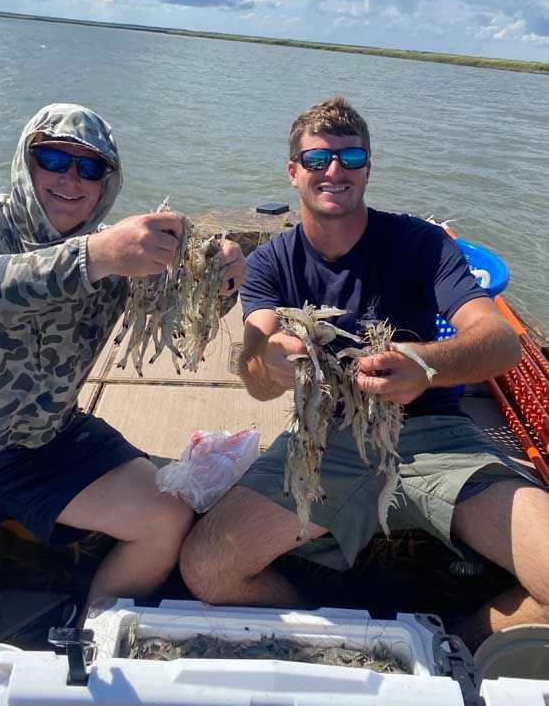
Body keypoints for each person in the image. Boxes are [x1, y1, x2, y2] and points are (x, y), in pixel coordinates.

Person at [0, 102, 245, 706]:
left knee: (165, 518)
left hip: (47, 443)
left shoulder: (120, 254)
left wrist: (217, 276)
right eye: (53, 159)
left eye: (90, 168)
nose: (70, 179)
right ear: (26, 162)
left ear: (107, 183)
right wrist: (95, 255)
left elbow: (179, 318)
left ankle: (94, 636)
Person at [180, 95, 549, 651]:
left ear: (368, 169)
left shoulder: (422, 244)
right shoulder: (271, 263)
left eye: (350, 158)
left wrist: (425, 364)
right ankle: (335, 646)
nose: (334, 170)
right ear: (293, 172)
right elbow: (255, 360)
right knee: (207, 567)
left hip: (438, 440)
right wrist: (271, 361)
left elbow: (498, 341)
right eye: (317, 159)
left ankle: (451, 651)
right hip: (326, 442)